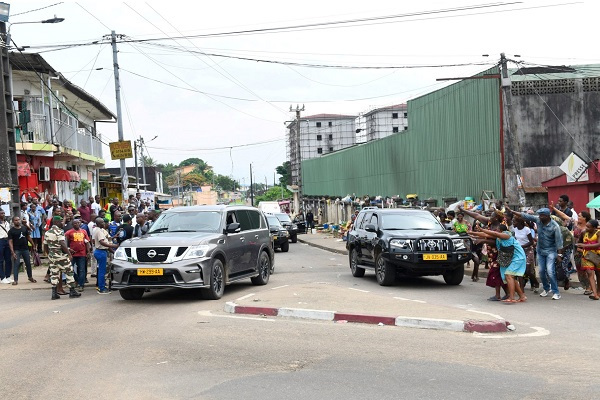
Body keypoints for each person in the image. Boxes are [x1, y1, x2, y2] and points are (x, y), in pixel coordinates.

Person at [509, 206, 563, 300]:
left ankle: (556, 292)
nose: (540, 217)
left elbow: (559, 242)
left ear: (547, 216)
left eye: (542, 215)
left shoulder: (555, 226)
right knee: (541, 271)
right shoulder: (538, 220)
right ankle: (546, 288)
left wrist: (559, 255)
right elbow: (525, 216)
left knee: (550, 271)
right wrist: (512, 211)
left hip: (551, 250)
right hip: (540, 250)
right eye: (539, 215)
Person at [459, 206, 508, 300]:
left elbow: (496, 241)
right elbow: (477, 215)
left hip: (500, 252)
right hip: (491, 252)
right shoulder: (490, 222)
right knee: (499, 273)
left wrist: (482, 241)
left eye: (492, 216)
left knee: (496, 272)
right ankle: (507, 293)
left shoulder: (502, 227)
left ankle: (499, 295)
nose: (490, 218)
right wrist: (463, 210)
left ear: (497, 218)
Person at [472, 224, 527, 303]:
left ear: (501, 230)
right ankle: (522, 296)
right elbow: (485, 234)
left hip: (518, 257)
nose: (495, 231)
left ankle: (512, 298)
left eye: (497, 229)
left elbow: (494, 234)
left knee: (509, 275)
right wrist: (472, 233)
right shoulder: (498, 238)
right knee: (510, 277)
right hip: (510, 258)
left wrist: (481, 229)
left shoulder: (506, 235)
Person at [45, 216, 81, 300]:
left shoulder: (48, 232)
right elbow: (62, 243)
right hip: (61, 256)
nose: (63, 223)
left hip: (52, 256)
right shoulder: (60, 231)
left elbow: (45, 245)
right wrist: (69, 254)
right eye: (61, 221)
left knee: (54, 274)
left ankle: (54, 293)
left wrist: (49, 254)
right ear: (57, 222)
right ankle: (72, 291)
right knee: (69, 271)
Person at [92, 217, 118, 294]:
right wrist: (114, 246)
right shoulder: (99, 231)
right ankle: (101, 288)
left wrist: (112, 250)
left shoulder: (100, 230)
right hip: (101, 251)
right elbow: (102, 242)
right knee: (102, 271)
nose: (104, 223)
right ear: (98, 223)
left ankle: (102, 286)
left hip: (101, 251)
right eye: (102, 222)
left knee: (101, 270)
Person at [513, 215, 539, 293]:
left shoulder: (526, 229)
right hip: (519, 251)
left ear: (519, 222)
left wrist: (522, 246)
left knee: (528, 270)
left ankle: (535, 282)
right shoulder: (515, 229)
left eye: (514, 221)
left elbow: (531, 242)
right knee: (520, 270)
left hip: (528, 250)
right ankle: (521, 288)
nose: (513, 223)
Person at [7, 216, 36, 285]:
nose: (18, 221)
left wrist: (33, 245)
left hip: (25, 249)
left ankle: (30, 277)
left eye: (18, 220)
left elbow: (28, 237)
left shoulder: (24, 228)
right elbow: (10, 242)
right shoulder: (11, 231)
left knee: (28, 263)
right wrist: (12, 251)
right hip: (17, 250)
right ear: (13, 222)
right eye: (16, 220)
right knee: (16, 264)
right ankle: (15, 280)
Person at [65, 218, 91, 291]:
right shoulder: (68, 232)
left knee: (82, 270)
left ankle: (81, 284)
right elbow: (65, 243)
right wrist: (69, 249)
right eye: (75, 223)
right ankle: (77, 279)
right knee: (70, 268)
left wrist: (88, 252)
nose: (77, 224)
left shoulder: (84, 231)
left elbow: (87, 242)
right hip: (72, 254)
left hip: (82, 253)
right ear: (72, 224)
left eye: (78, 223)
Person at [577, 219, 600, 300]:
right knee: (590, 273)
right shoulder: (583, 232)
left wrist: (585, 246)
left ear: (594, 228)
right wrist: (579, 247)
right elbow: (579, 242)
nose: (586, 228)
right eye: (586, 226)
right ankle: (594, 294)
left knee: (598, 274)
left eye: (589, 227)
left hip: (597, 256)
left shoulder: (598, 233)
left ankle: (598, 292)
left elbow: (599, 244)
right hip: (586, 256)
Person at [0, 209, 13, 284]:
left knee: (8, 259)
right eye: (1, 213)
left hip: (7, 240)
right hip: (0, 241)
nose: (3, 214)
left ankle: (8, 276)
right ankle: (2, 277)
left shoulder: (7, 223)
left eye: (4, 213)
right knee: (1, 260)